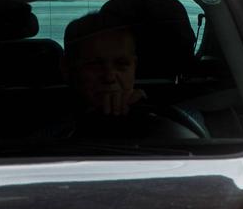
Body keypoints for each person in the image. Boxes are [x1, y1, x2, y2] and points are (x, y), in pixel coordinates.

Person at [61, 10, 200, 141]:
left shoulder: (178, 114)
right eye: (94, 65)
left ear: (134, 67)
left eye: (121, 64)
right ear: (67, 69)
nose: (109, 77)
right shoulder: (46, 118)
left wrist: (144, 112)